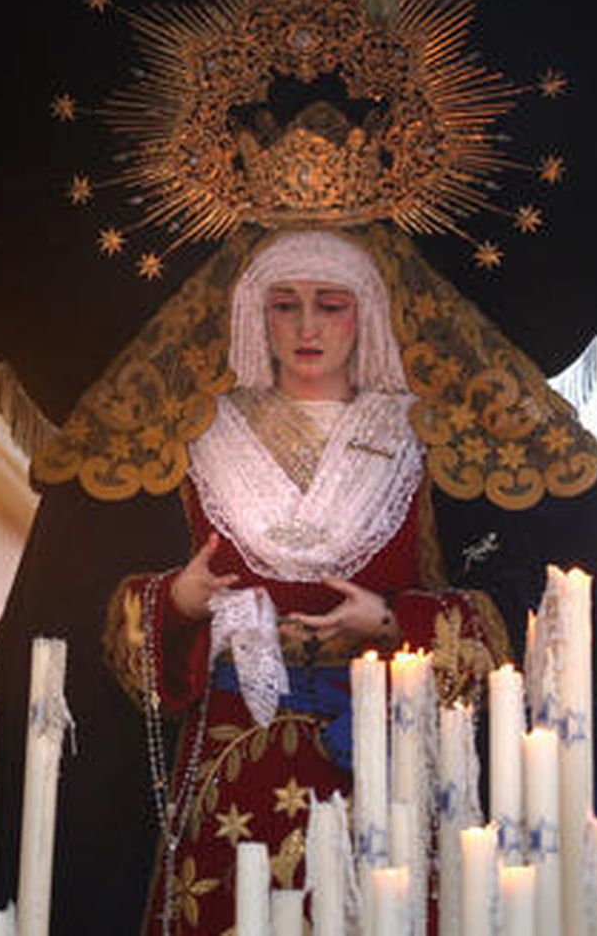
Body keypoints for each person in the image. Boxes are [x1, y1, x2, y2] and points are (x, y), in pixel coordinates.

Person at [100, 229, 512, 934]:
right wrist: (177, 600)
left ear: (368, 315)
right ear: (255, 318)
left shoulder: (422, 441)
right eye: (284, 306)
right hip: (236, 757)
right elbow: (118, 614)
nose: (308, 327)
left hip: (375, 753)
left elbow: (494, 624)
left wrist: (389, 624)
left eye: (331, 305)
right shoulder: (200, 436)